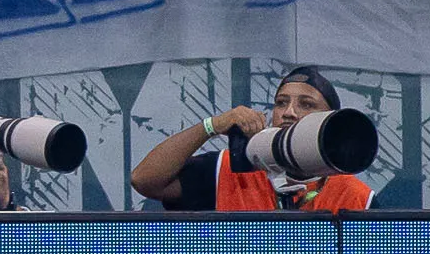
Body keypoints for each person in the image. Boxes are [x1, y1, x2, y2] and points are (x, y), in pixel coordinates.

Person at [127, 66, 373, 210]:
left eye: (306, 104)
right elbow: (145, 180)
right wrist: (210, 126)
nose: (288, 112)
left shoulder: (356, 197)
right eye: (280, 103)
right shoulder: (229, 170)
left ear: (328, 119)